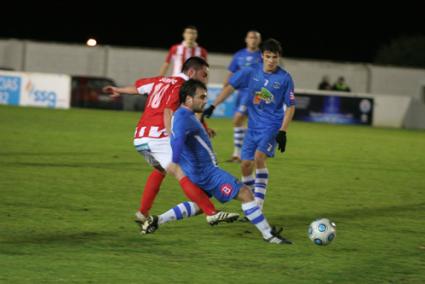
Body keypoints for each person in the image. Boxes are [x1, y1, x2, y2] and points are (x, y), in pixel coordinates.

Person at [142, 79, 292, 244]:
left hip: (197, 171)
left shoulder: (184, 115)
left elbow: (177, 136)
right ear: (189, 99)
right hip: (207, 173)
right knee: (245, 193)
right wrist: (175, 161)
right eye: (202, 96)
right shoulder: (183, 117)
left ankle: (157, 220)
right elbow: (176, 141)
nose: (205, 100)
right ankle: (268, 235)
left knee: (199, 205)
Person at [102, 57, 239, 229]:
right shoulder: (182, 87)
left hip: (140, 138)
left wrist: (118, 90)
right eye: (203, 75)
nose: (205, 79)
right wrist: (171, 136)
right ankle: (211, 213)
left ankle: (142, 213)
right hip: (157, 136)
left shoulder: (161, 80)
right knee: (179, 171)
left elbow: (138, 88)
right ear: (191, 72)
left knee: (160, 169)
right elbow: (168, 111)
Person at [203, 39, 296, 211]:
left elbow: (290, 107)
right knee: (245, 165)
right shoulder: (250, 71)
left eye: (274, 57)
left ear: (278, 57)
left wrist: (283, 131)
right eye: (268, 57)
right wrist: (213, 105)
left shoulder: (284, 78)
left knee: (259, 158)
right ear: (262, 56)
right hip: (253, 127)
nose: (271, 61)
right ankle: (251, 199)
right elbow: (230, 87)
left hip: (272, 126)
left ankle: (257, 205)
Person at [223, 30, 262, 163]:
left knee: (238, 119)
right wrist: (226, 85)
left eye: (256, 38)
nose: (253, 40)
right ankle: (241, 153)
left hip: (253, 93)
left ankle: (238, 154)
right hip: (240, 92)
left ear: (259, 41)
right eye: (251, 37)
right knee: (241, 123)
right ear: (246, 39)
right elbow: (231, 71)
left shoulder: (263, 55)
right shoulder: (239, 55)